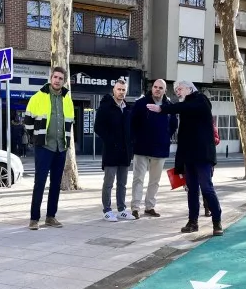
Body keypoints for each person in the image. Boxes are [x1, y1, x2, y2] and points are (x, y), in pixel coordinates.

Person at [147, 81, 222, 236]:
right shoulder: (185, 107)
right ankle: (193, 222)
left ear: (190, 88)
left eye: (179, 89)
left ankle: (217, 222)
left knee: (207, 188)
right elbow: (183, 137)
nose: (177, 92)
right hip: (189, 157)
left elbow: (185, 107)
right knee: (192, 190)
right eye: (175, 90)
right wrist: (179, 164)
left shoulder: (200, 100)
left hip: (203, 155)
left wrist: (162, 108)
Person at [24, 66, 75, 230]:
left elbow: (70, 121)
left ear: (63, 81)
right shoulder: (37, 97)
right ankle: (34, 218)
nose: (57, 80)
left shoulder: (67, 98)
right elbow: (28, 122)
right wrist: (36, 139)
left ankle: (51, 217)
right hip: (44, 147)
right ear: (50, 78)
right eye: (55, 77)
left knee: (55, 184)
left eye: (61, 78)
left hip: (61, 147)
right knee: (39, 182)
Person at [129, 79, 177, 219]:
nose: (157, 89)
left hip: (160, 148)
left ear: (164, 90)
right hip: (141, 147)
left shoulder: (169, 106)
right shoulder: (141, 103)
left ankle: (150, 207)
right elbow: (132, 123)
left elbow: (173, 125)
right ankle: (135, 208)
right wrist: (135, 139)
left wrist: (165, 136)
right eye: (155, 87)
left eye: (160, 88)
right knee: (138, 179)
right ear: (152, 88)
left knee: (154, 181)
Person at [94, 79, 135, 222]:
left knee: (122, 183)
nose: (121, 92)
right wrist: (111, 141)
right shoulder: (106, 107)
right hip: (111, 151)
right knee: (109, 182)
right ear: (114, 90)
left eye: (124, 90)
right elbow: (98, 128)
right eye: (119, 89)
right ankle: (107, 210)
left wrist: (131, 147)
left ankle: (122, 209)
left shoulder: (128, 109)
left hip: (125, 152)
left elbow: (132, 130)